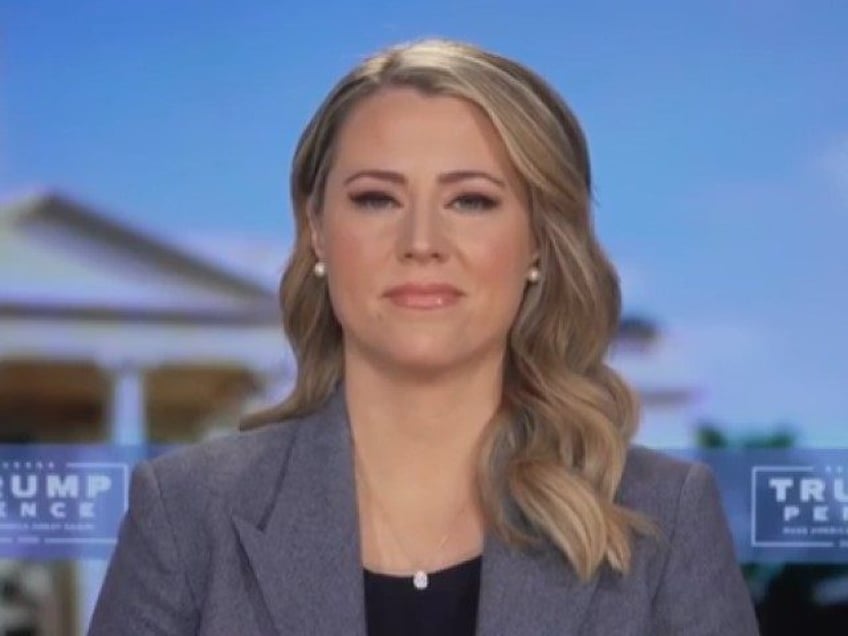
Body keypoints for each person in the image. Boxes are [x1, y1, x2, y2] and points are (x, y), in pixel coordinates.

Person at [88, 38, 760, 635]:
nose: (421, 243)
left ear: (538, 242)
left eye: (471, 200)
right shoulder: (186, 512)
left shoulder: (664, 518)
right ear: (317, 231)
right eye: (376, 198)